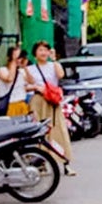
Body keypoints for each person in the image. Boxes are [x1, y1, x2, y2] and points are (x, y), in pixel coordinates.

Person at [27, 41, 75, 175]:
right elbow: (26, 85)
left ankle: (65, 163)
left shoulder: (54, 65)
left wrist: (55, 60)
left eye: (45, 50)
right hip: (38, 101)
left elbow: (60, 75)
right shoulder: (30, 69)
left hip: (52, 102)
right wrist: (37, 87)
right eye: (40, 50)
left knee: (59, 130)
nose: (43, 53)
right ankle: (40, 163)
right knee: (38, 133)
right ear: (35, 53)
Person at [0, 46, 31, 118]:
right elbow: (9, 79)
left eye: (20, 57)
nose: (19, 59)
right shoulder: (2, 70)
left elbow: (31, 81)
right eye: (17, 57)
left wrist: (25, 66)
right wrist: (14, 61)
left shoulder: (21, 72)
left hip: (21, 104)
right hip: (9, 105)